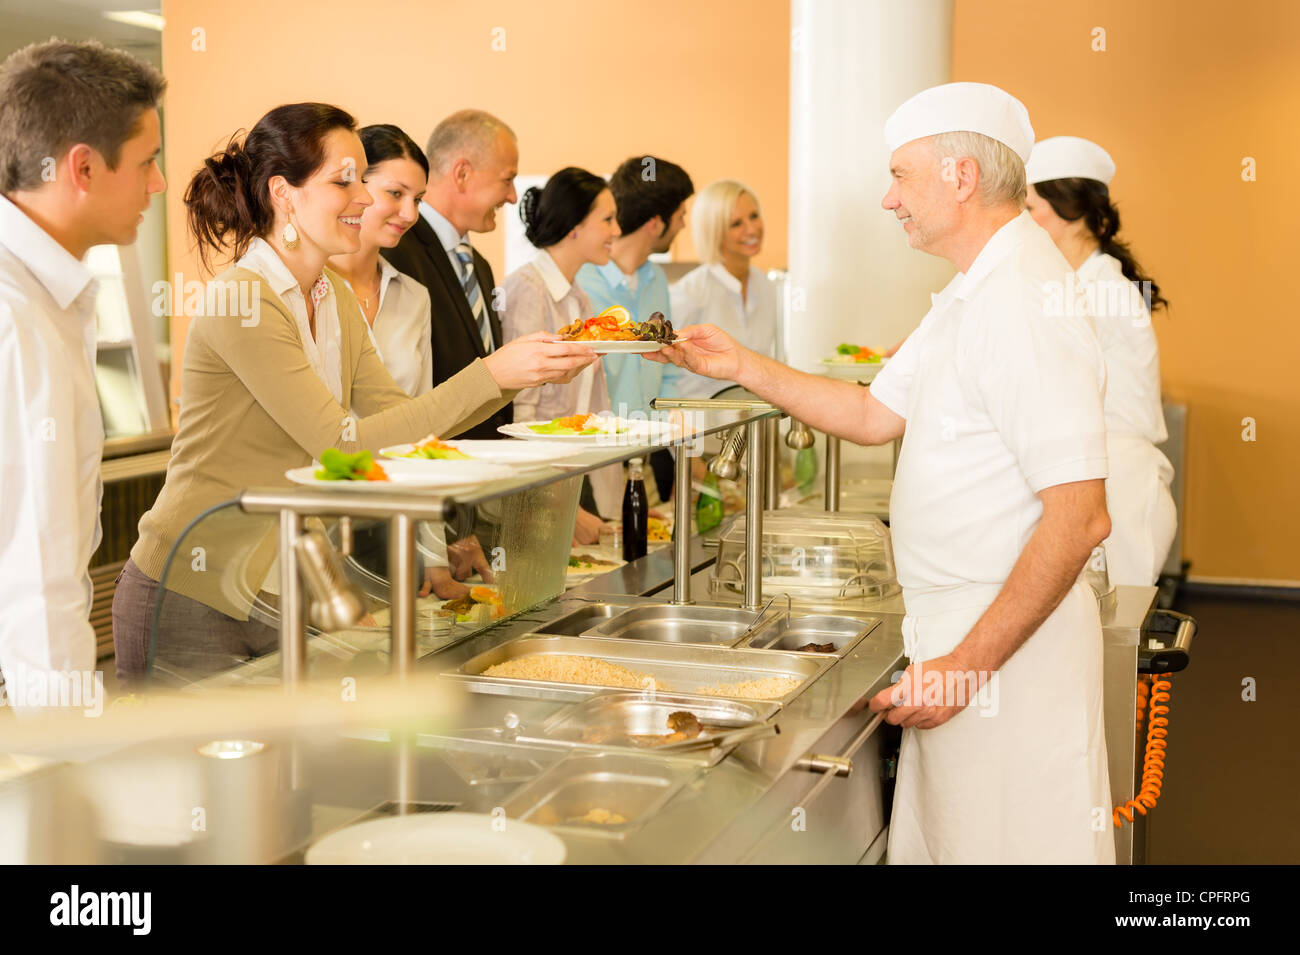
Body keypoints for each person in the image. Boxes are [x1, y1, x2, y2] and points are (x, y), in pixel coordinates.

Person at [648, 82, 1115, 864]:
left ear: (960, 177)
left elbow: (1079, 516)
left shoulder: (1025, 301)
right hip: (967, 643)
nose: (887, 198)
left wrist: (962, 672)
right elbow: (871, 415)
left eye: (901, 175)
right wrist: (740, 364)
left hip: (1003, 660)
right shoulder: (974, 291)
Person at [112, 103, 594, 685]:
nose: (363, 199)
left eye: (362, 179)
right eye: (344, 181)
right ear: (284, 194)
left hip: (277, 582)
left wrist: (521, 375)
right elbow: (342, 446)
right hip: (190, 588)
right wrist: (494, 372)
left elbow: (398, 422)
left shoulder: (331, 297)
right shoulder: (243, 301)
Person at [0, 40, 165, 708]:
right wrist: (66, 755)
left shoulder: (52, 295)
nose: (157, 183)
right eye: (148, 160)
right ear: (84, 168)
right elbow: (36, 575)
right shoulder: (17, 316)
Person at [328, 124, 487, 600]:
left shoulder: (413, 297)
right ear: (353, 188)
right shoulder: (304, 293)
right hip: (313, 531)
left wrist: (434, 557)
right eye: (394, 194)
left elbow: (418, 433)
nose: (409, 213)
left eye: (417, 198)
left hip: (389, 533)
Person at [1025, 136, 1175, 587]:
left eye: (1030, 208)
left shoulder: (1100, 291)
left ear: (1068, 210)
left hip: (1120, 487)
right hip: (1095, 477)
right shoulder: (1073, 283)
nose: (1023, 220)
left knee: (1112, 637)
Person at [501, 167, 621, 544]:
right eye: (608, 220)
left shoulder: (578, 297)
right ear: (574, 226)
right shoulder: (527, 289)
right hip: (538, 486)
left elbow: (593, 407)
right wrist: (555, 504)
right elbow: (521, 414)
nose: (616, 231)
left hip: (573, 476)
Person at [381, 110, 518, 439]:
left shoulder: (479, 266)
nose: (512, 196)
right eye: (507, 179)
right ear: (462, 174)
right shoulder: (392, 252)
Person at [576, 156, 693, 501]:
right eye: (681, 215)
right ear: (656, 224)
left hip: (646, 458)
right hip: (592, 464)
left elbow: (667, 369)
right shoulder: (581, 280)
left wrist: (682, 445)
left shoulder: (655, 278)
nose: (684, 224)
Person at [669, 179, 779, 397]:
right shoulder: (690, 292)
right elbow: (666, 371)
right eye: (736, 224)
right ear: (714, 232)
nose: (752, 229)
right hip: (700, 423)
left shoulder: (767, 286)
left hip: (753, 420)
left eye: (754, 216)